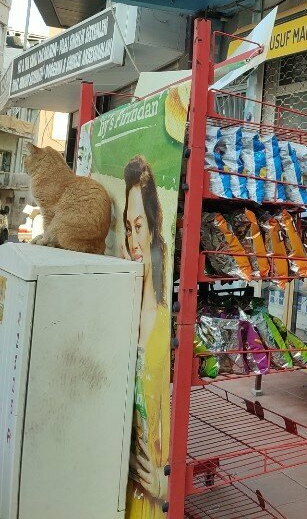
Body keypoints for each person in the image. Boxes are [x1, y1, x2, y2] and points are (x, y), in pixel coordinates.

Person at [122, 155, 169, 517]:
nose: (133, 240)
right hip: (120, 486)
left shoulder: (163, 324)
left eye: (139, 226)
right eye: (127, 227)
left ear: (153, 231)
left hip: (150, 501)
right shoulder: (121, 312)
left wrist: (158, 479)